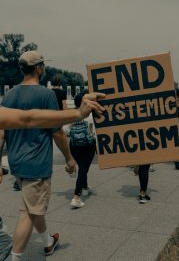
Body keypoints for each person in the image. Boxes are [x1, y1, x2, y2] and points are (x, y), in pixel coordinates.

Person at [0, 51, 103, 261]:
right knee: (28, 212)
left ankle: (48, 241)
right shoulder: (45, 95)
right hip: (36, 162)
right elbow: (56, 132)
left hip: (16, 161)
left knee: (34, 205)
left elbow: (2, 131)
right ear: (39, 69)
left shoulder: (8, 96)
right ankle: (15, 258)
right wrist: (69, 158)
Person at [69, 92, 96, 208]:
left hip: (74, 146)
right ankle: (76, 197)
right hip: (88, 146)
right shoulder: (90, 115)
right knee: (83, 169)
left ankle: (85, 187)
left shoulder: (71, 115)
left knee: (82, 168)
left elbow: (65, 131)